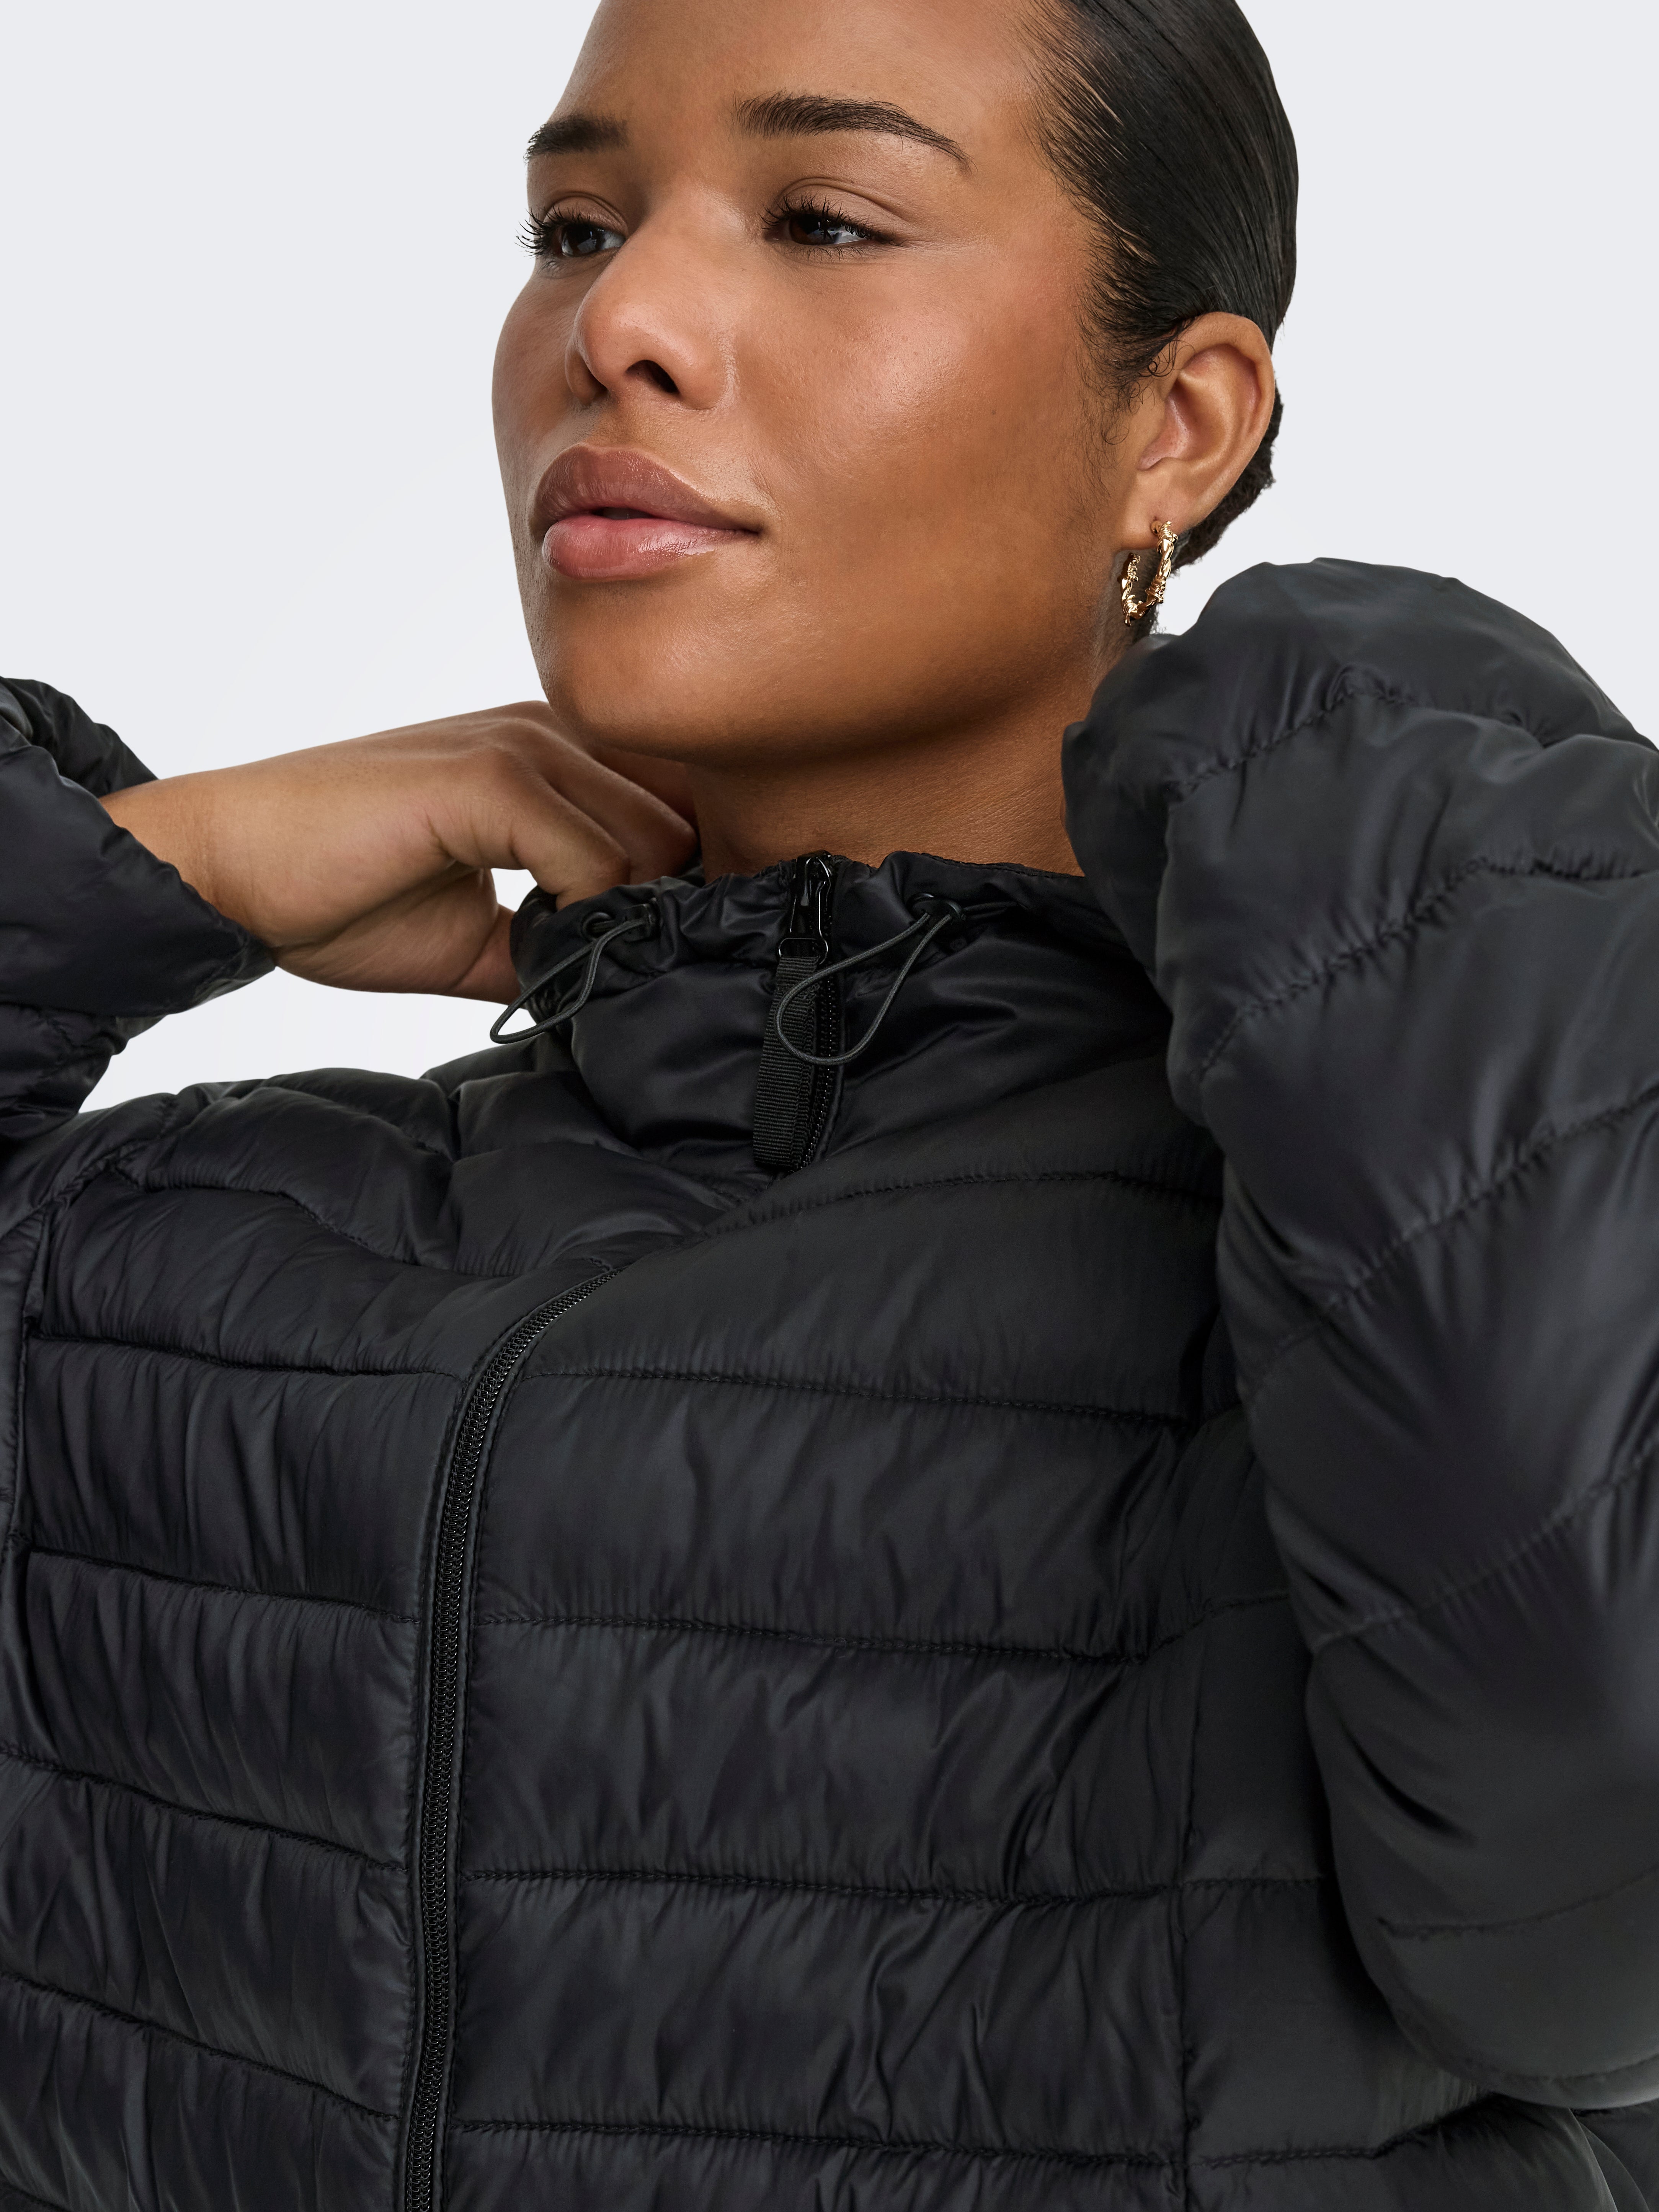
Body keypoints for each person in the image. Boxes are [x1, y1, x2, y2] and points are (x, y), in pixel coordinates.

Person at [2, 0, 1657, 2204]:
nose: (621, 323)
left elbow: (1589, 1922)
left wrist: (1397, 803)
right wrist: (146, 865)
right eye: (573, 228)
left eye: (827, 220)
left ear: (1178, 424)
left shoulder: (1358, 1255)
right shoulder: (178, 1255)